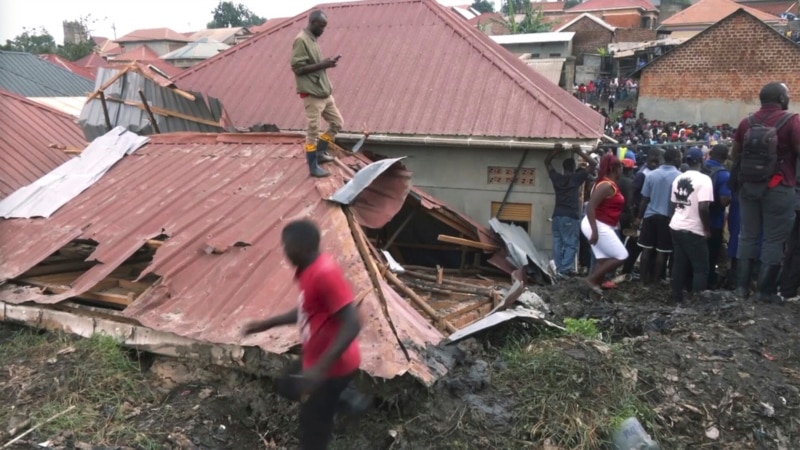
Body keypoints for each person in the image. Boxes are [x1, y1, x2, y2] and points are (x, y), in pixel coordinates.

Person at [242, 220, 362, 449]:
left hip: (332, 367)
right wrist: (266, 324)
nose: (284, 252)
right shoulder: (307, 271)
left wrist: (319, 370)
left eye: (287, 247)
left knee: (313, 432)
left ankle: (343, 399)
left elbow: (352, 324)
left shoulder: (325, 274)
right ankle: (346, 399)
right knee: (286, 384)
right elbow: (307, 309)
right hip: (315, 359)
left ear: (303, 248)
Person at [731, 82, 800, 302]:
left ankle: (741, 289)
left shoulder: (746, 122)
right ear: (781, 99)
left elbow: (736, 153)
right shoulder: (792, 121)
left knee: (747, 235)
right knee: (773, 239)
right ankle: (763, 292)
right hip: (779, 188)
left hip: (748, 187)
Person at [291, 10, 344, 178]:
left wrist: (327, 63)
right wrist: (323, 65)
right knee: (313, 130)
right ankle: (312, 165)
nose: (323, 30)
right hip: (312, 94)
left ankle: (320, 153)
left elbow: (316, 64)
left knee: (337, 123)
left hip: (324, 92)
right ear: (313, 23)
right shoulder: (301, 40)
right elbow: (298, 68)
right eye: (321, 26)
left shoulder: (313, 40)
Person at [545, 144, 597, 277]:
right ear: (574, 168)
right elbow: (593, 163)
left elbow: (546, 162)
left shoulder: (557, 178)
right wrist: (579, 151)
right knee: (570, 244)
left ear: (563, 168)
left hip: (556, 215)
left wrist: (555, 151)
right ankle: (564, 270)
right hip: (570, 216)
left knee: (557, 242)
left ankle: (558, 268)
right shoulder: (575, 178)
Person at [669, 148, 714, 302]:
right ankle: (697, 302)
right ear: (701, 160)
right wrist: (707, 229)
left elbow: (673, 204)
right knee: (701, 269)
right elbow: (703, 207)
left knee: (679, 265)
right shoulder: (704, 180)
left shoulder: (678, 178)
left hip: (676, 225)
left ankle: (676, 298)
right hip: (693, 229)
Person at [581, 153, 628, 295]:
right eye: (621, 167)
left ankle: (594, 288)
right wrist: (595, 231)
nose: (622, 171)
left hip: (600, 223)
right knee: (622, 255)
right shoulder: (606, 185)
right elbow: (590, 207)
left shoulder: (607, 183)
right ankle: (592, 280)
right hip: (596, 224)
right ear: (615, 168)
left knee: (603, 260)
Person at [634, 147, 682, 285]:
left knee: (646, 249)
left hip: (650, 216)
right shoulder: (679, 177)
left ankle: (643, 281)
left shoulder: (651, 175)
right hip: (667, 217)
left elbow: (644, 199)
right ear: (676, 159)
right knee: (662, 251)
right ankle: (656, 281)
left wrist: (639, 217)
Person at [702, 144, 732, 288]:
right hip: (714, 221)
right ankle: (707, 284)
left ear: (711, 153)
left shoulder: (700, 168)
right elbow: (724, 200)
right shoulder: (724, 175)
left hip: (695, 220)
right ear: (726, 158)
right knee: (711, 254)